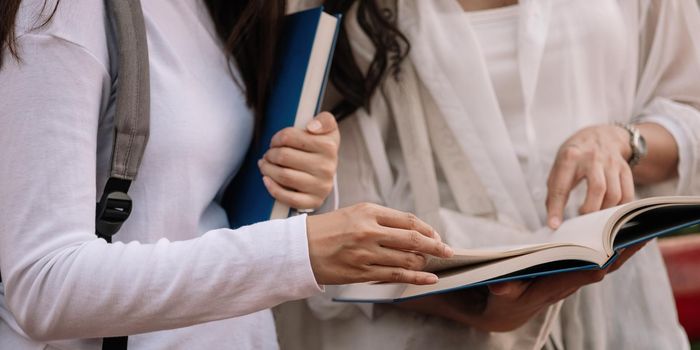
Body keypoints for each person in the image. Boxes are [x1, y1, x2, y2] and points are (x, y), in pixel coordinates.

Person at [0, 0, 455, 349]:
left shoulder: (220, 11)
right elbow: (45, 285)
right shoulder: (61, 13)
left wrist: (300, 184)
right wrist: (300, 251)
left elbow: (189, 210)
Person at [276, 0, 700, 349]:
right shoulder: (343, 11)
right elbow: (327, 208)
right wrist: (484, 311)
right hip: (426, 319)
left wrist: (623, 141)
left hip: (618, 309)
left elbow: (689, 105)